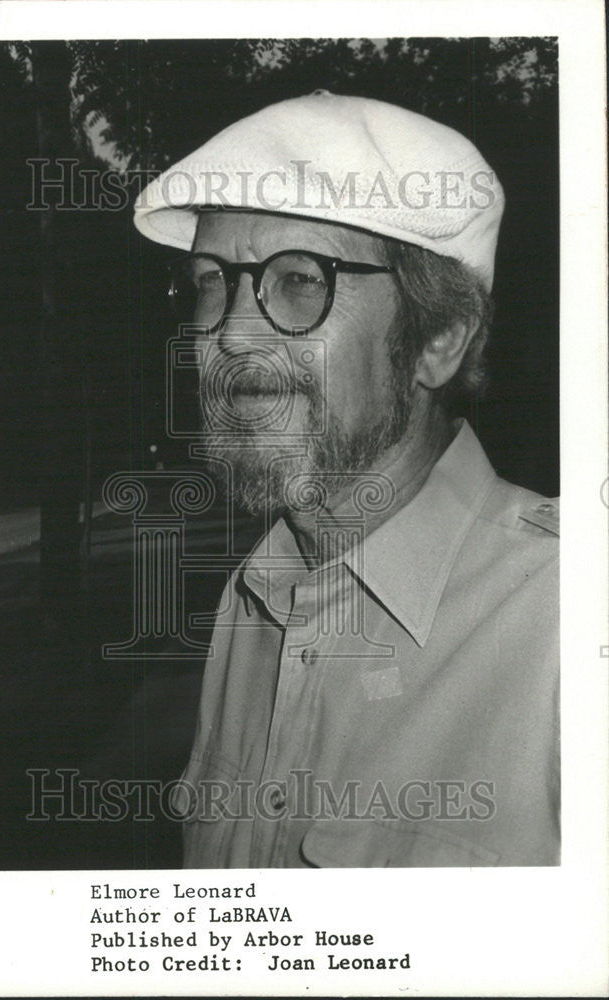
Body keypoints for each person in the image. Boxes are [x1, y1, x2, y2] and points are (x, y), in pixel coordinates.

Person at [133, 92, 559, 867]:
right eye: (209, 281)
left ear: (437, 339)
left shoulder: (567, 625)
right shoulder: (251, 599)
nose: (228, 331)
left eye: (300, 280)